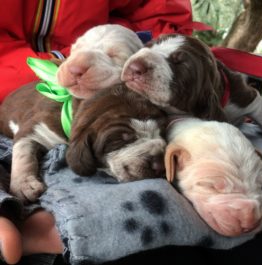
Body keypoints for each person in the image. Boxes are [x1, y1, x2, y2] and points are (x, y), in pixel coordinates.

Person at [0, 0, 195, 264]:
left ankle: (63, 223)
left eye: (115, 55)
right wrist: (64, 60)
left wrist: (141, 55)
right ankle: (10, 215)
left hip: (122, 95)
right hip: (17, 80)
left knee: (163, 170)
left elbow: (157, 15)